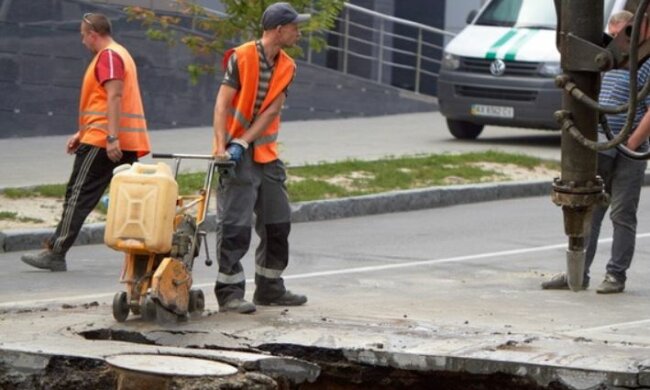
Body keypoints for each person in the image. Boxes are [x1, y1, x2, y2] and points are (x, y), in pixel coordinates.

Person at [20, 13, 150, 272]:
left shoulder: (109, 56)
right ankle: (144, 255)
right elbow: (103, 101)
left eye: (83, 35)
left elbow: (114, 96)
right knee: (129, 201)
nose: (82, 41)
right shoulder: (120, 54)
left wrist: (111, 137)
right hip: (116, 139)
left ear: (94, 33)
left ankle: (56, 252)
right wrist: (82, 133)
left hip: (104, 142)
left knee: (78, 195)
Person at [211, 2, 310, 313]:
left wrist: (245, 139)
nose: (299, 32)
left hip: (264, 151)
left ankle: (269, 287)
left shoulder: (288, 66)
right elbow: (222, 104)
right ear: (278, 30)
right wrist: (221, 145)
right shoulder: (241, 57)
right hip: (234, 154)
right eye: (295, 27)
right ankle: (229, 292)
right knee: (235, 224)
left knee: (277, 221)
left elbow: (271, 111)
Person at [542, 10, 650, 293]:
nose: (614, 46)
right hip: (601, 144)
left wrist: (630, 143)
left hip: (628, 148)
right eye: (610, 38)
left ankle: (616, 275)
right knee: (590, 210)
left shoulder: (644, 63)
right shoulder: (601, 66)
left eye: (618, 38)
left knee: (622, 215)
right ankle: (577, 273)